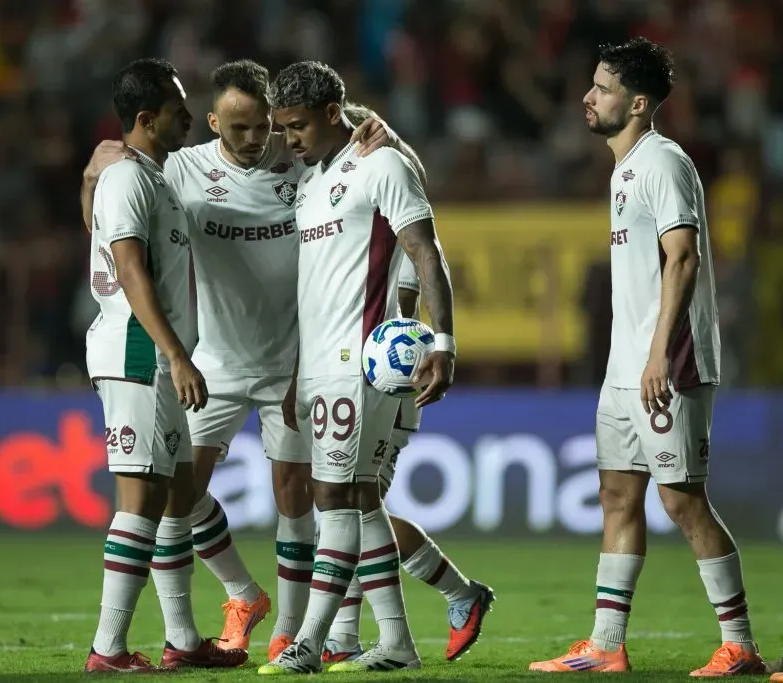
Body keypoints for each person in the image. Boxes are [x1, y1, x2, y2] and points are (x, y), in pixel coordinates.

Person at [81, 59, 400, 659]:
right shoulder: (173, 168)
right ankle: (229, 598)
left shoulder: (304, 154)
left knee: (295, 494)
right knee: (177, 494)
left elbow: (392, 173)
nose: (255, 140)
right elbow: (111, 225)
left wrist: (379, 128)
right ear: (208, 124)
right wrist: (90, 172)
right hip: (207, 361)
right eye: (239, 129)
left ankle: (287, 633)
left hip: (289, 357)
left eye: (263, 127)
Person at [529, 38, 766, 677]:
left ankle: (740, 645)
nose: (587, 97)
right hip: (626, 362)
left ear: (637, 103)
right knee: (616, 494)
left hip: (669, 360)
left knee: (683, 500)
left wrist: (659, 354)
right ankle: (607, 646)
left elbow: (682, 256)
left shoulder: (663, 162)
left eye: (601, 88)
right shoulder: (625, 166)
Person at [258, 60, 461, 674]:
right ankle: (396, 644)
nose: (288, 138)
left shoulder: (380, 163)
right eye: (281, 127)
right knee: (357, 502)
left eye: (296, 126)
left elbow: (426, 251)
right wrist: (297, 372)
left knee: (336, 500)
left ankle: (310, 644)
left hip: (360, 361)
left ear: (331, 114)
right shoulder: (312, 183)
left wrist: (443, 340)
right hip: (318, 365)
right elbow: (314, 288)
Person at [82, 57, 247, 674]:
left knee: (178, 496)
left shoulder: (148, 177)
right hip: (139, 350)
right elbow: (126, 268)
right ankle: (109, 649)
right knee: (142, 501)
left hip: (156, 354)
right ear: (147, 119)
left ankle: (182, 639)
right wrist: (176, 354)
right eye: (180, 108)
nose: (189, 116)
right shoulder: (129, 178)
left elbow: (98, 239)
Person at [322, 254, 493, 666]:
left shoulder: (396, 239)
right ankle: (344, 636)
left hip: (385, 391)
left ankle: (460, 592)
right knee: (348, 509)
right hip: (358, 386)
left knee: (357, 508)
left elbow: (397, 313)